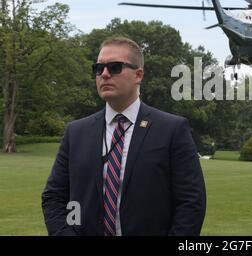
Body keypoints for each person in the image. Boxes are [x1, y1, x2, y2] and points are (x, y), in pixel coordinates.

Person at [42, 37, 206, 236]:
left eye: (114, 67)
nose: (104, 74)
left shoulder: (171, 130)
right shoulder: (76, 132)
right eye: (98, 68)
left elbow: (191, 202)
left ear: (138, 75)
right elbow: (54, 197)